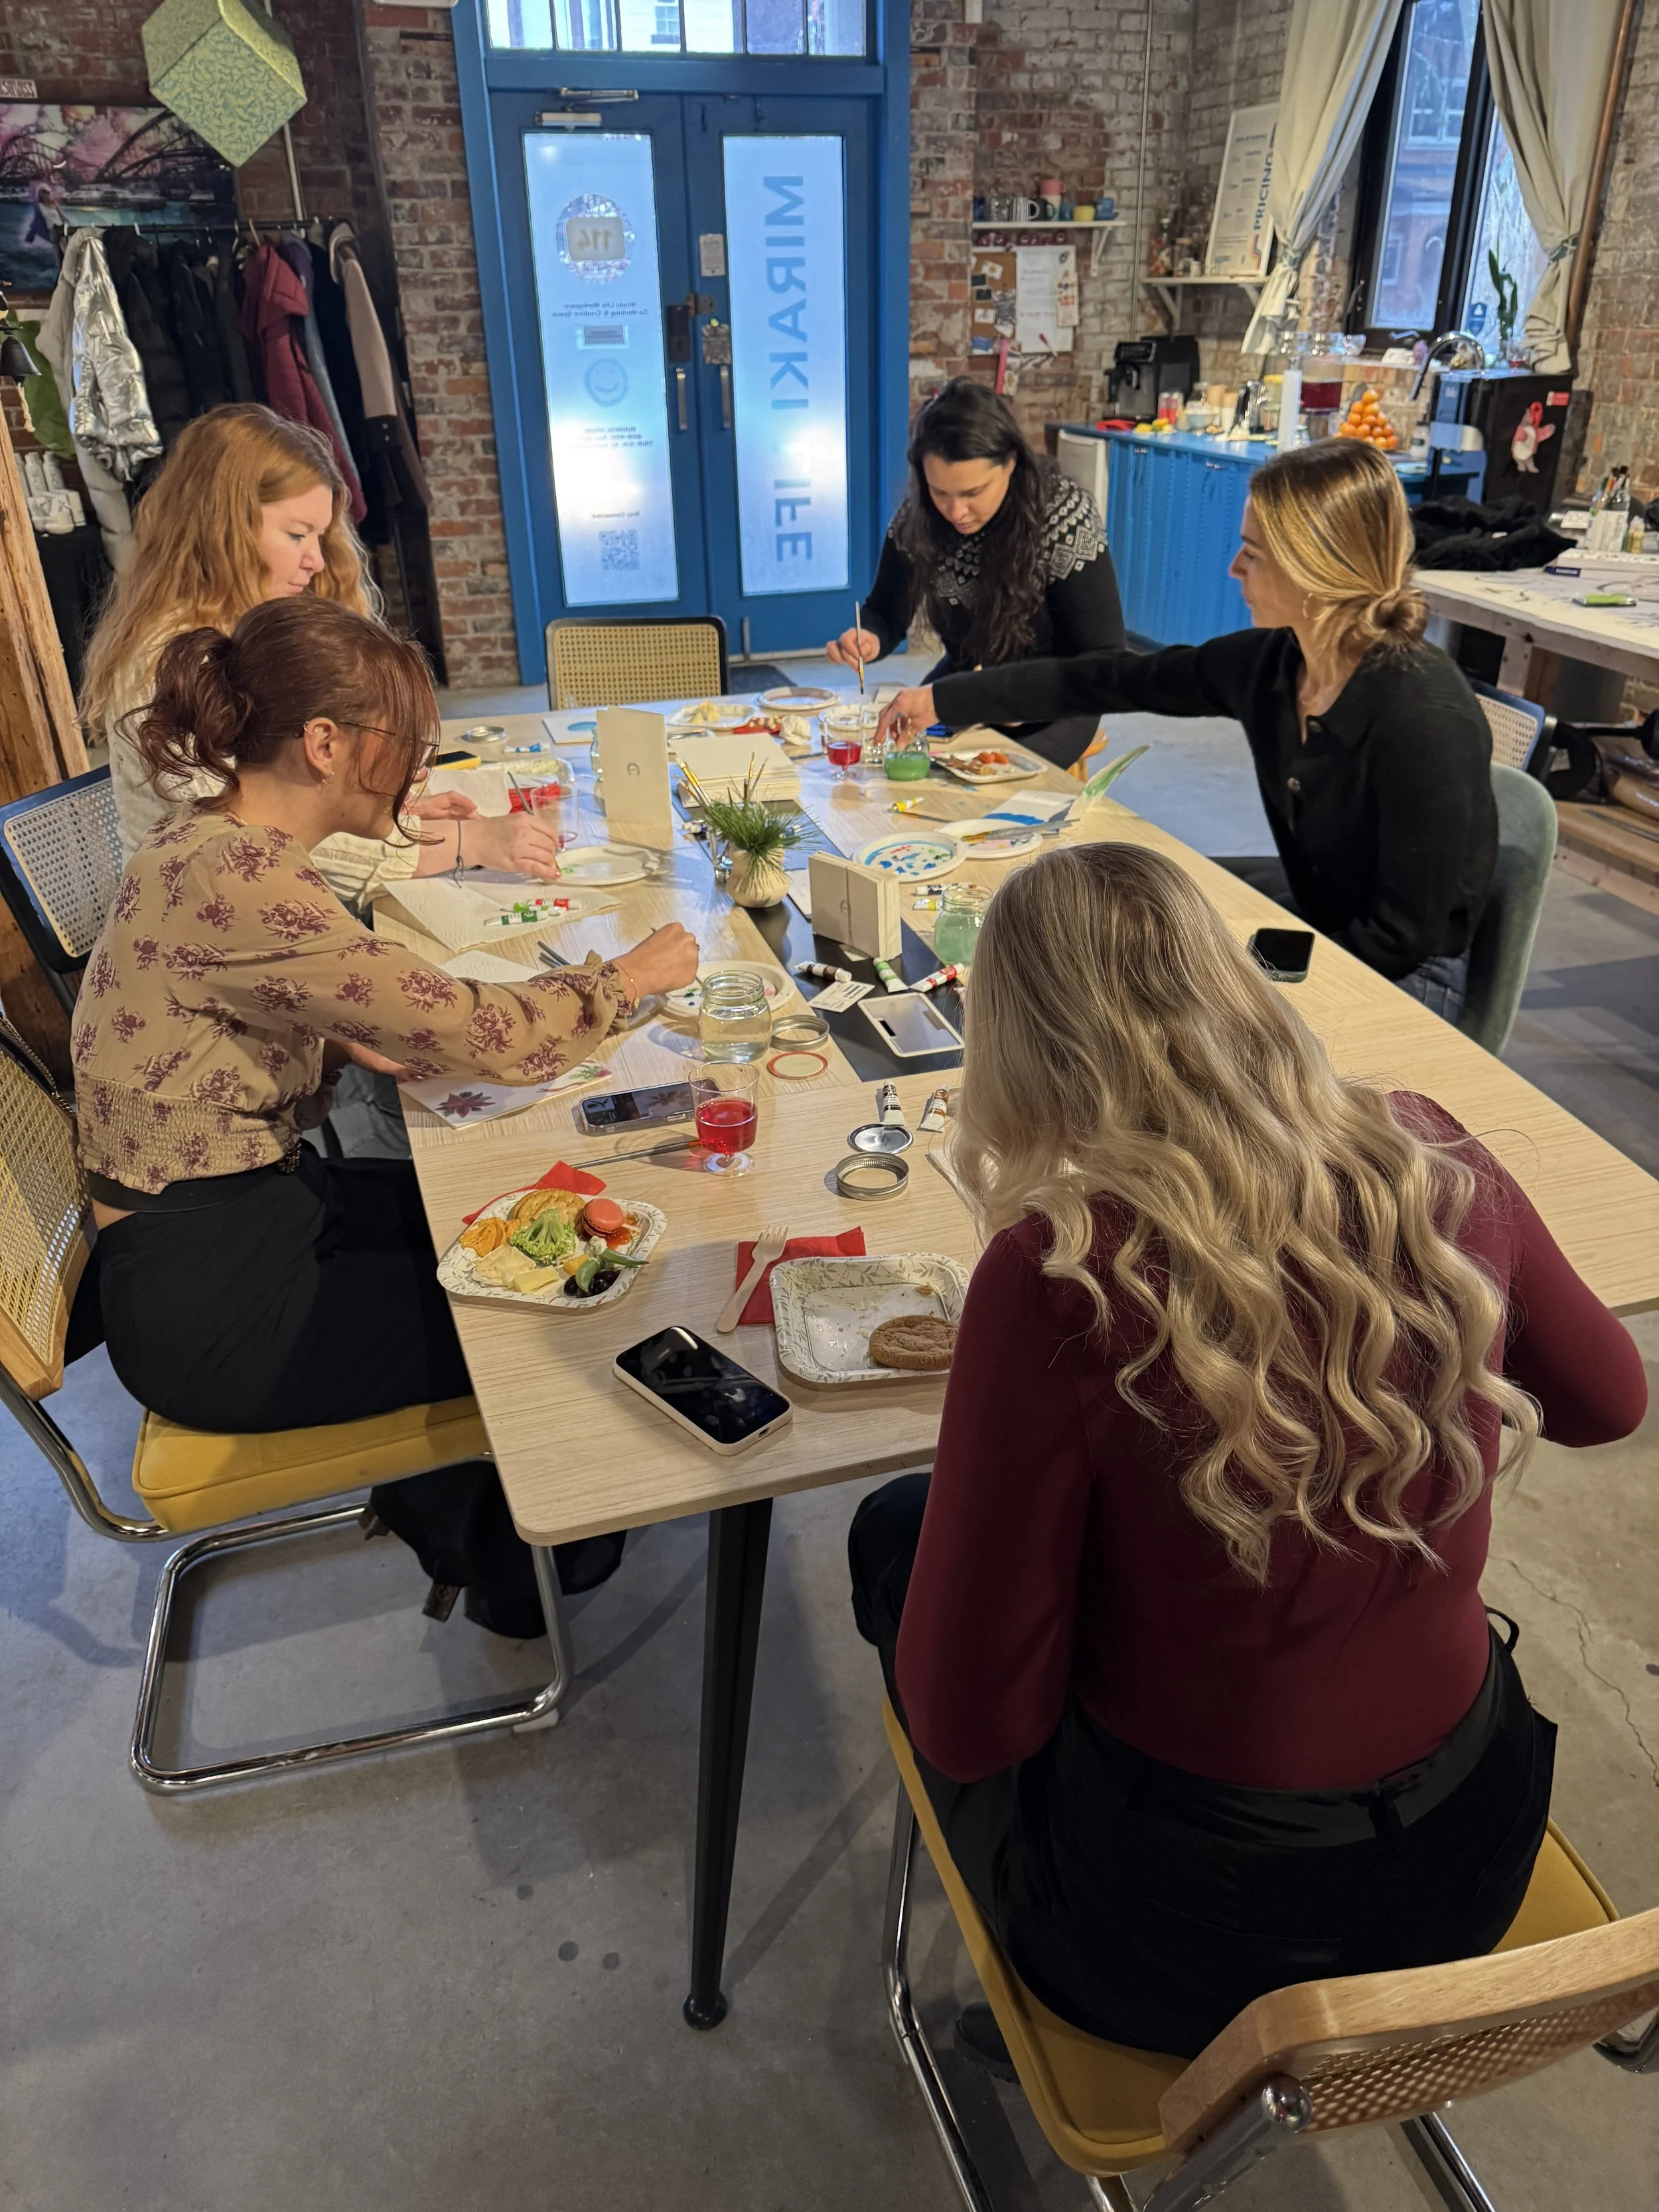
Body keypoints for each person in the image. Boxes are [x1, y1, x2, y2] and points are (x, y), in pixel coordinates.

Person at [849, 842, 1646, 2064]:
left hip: (1206, 1948)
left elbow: (972, 1727)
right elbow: (1609, 1399)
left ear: (1014, 1045)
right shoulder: (1421, 1153)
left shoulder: (1063, 1275)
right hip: (1474, 1852)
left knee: (893, 1532)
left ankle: (1023, 1976)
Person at [74, 595, 699, 1630]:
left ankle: (458, 1514)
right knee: (561, 1302)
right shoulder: (243, 882)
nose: (418, 769)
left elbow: (250, 1008)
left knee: (500, 1222)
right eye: (405, 744)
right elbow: (494, 1038)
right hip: (215, 1302)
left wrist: (331, 1031)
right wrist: (622, 981)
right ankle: (511, 1567)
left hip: (223, 1223)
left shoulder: (211, 843)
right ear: (324, 744)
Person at [877, 439, 1497, 1014]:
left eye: (1252, 552)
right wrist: (942, 699)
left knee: (1163, 1004)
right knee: (1134, 910)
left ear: (1318, 569)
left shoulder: (1422, 718)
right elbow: (1109, 677)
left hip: (1402, 977)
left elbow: (1402, 938)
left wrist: (1234, 984)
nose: (1233, 568)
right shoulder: (1277, 666)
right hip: (1322, 916)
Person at [81, 404, 560, 905]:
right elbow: (254, 838)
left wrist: (381, 812)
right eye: (296, 535)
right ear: (224, 529)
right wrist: (463, 844)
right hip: (207, 929)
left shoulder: (250, 628)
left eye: (319, 535)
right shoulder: (168, 663)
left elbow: (300, 797)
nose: (315, 559)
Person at [826, 380, 1125, 769]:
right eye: (940, 492)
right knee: (899, 771)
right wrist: (867, 637)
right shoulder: (918, 519)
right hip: (966, 685)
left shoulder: (1062, 516)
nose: (955, 512)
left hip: (1058, 698)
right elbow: (886, 612)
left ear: (1011, 463)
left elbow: (1103, 658)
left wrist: (1020, 697)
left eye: (973, 493)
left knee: (996, 799)